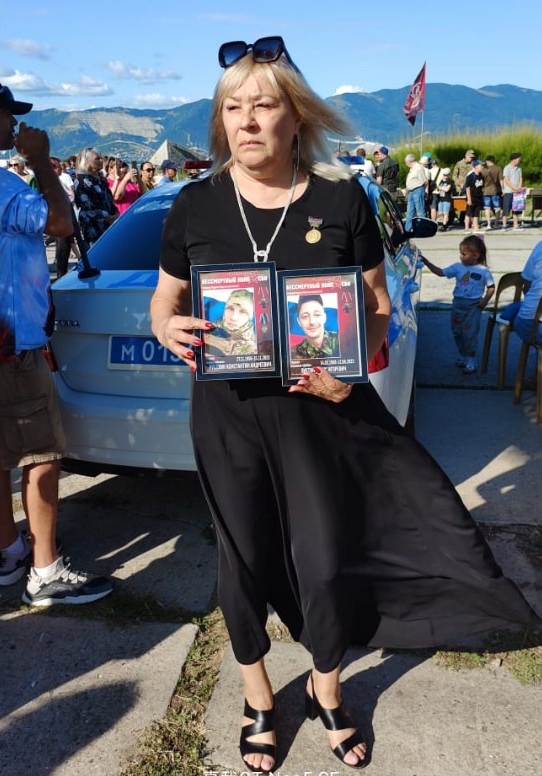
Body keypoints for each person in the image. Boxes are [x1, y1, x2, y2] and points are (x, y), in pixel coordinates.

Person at [150, 40, 540, 775]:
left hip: (320, 414)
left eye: (263, 105)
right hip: (228, 415)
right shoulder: (194, 204)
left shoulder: (340, 200)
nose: (246, 120)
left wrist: (353, 368)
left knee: (325, 562)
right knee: (241, 564)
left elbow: (379, 306)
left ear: (296, 117)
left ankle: (325, 688)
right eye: (232, 107)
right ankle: (258, 698)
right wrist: (167, 329)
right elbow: (164, 301)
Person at [0, 80, 113, 605]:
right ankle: (44, 572)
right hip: (12, 345)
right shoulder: (4, 188)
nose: (14, 124)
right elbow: (62, 222)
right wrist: (41, 161)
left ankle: (7, 552)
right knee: (40, 455)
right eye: (7, 114)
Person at [422, 235, 495, 374]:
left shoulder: (484, 271)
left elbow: (491, 287)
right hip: (458, 305)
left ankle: (471, 360)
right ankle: (463, 356)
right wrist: (427, 262)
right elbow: (440, 272)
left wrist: (485, 300)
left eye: (464, 254)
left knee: (470, 334)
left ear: (476, 255)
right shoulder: (457, 267)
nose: (460, 256)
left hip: (474, 306)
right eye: (460, 253)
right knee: (457, 332)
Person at [74, 147, 118, 248]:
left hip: (110, 224)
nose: (101, 160)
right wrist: (106, 217)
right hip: (94, 227)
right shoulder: (82, 181)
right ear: (87, 161)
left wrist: (115, 214)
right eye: (97, 158)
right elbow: (87, 206)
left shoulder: (101, 179)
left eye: (101, 158)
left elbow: (109, 200)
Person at [203, 288, 257, 356]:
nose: (233, 318)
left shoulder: (254, 346)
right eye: (230, 308)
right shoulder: (207, 330)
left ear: (250, 317)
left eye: (243, 311)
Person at [403, 153, 428, 231]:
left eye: (406, 163)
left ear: (409, 161)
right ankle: (407, 230)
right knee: (409, 212)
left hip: (418, 190)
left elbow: (425, 181)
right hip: (411, 192)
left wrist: (423, 191)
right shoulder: (412, 169)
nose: (406, 164)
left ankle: (422, 229)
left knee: (420, 211)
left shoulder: (418, 168)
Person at [502, 153, 524, 232]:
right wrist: (514, 188)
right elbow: (506, 180)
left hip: (517, 193)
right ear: (514, 159)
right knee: (506, 209)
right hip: (509, 192)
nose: (519, 160)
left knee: (516, 209)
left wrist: (519, 188)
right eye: (518, 159)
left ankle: (515, 225)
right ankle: (504, 226)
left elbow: (520, 178)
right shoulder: (507, 168)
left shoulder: (519, 168)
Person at [482, 155, 503, 229]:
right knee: (497, 208)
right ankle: (496, 223)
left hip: (485, 191)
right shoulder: (498, 168)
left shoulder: (484, 170)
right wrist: (503, 189)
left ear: (488, 161)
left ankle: (489, 224)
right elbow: (501, 180)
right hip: (495, 191)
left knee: (487, 208)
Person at [464, 160, 485, 233]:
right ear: (476, 167)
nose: (482, 167)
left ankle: (476, 228)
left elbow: (481, 187)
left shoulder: (481, 176)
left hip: (478, 197)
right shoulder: (470, 176)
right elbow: (467, 188)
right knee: (469, 213)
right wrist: (469, 199)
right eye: (481, 165)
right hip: (471, 197)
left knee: (476, 214)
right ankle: (466, 228)